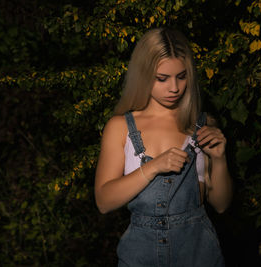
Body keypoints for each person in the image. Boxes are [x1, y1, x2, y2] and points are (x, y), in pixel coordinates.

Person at [94, 28, 233, 266]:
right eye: (162, 78)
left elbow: (221, 205)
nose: (174, 88)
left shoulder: (201, 125)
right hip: (139, 256)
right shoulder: (120, 127)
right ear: (143, 75)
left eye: (181, 76)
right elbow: (104, 202)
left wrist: (219, 159)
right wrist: (153, 167)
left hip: (198, 254)